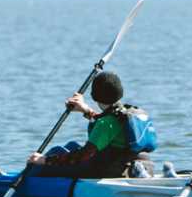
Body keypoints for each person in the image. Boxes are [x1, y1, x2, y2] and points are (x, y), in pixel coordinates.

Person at [22, 71, 158, 178]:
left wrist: (45, 160)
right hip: (136, 162)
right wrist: (85, 110)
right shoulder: (128, 113)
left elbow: (83, 156)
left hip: (108, 170)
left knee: (56, 152)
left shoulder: (106, 123)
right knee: (72, 145)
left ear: (95, 96)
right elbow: (109, 125)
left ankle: (22, 180)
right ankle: (138, 172)